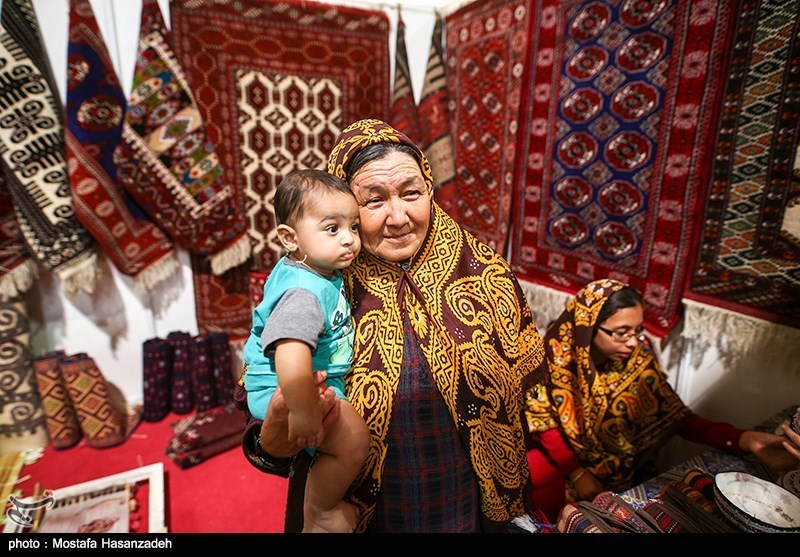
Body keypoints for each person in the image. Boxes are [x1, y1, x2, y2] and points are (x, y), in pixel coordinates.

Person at [243, 119, 550, 533]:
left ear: (429, 190)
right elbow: (267, 430)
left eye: (411, 193)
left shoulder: (483, 274)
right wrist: (278, 440)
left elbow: (525, 399)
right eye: (373, 201)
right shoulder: (317, 286)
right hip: (370, 516)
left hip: (469, 508)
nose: (399, 217)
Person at [524, 278, 800, 523]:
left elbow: (677, 418)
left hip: (614, 470)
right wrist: (577, 473)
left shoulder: (636, 362)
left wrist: (743, 439)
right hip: (560, 460)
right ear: (587, 328)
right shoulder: (550, 362)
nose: (633, 342)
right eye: (621, 332)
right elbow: (542, 423)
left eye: (637, 331)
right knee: (541, 499)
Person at [241, 168, 370, 533]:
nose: (349, 240)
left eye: (354, 227)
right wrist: (302, 410)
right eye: (333, 229)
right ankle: (319, 512)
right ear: (289, 238)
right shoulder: (303, 292)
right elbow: (290, 351)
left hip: (302, 391)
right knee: (354, 438)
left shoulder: (319, 271)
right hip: (287, 393)